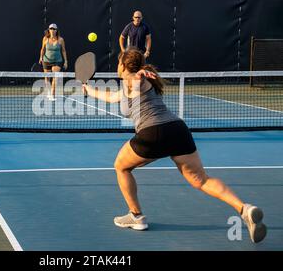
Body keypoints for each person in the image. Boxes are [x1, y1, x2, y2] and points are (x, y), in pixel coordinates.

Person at [82, 48, 267, 243]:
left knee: (121, 166)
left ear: (122, 66)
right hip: (178, 130)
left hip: (152, 134)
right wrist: (88, 88)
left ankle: (136, 216)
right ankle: (244, 208)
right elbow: (110, 96)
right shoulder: (131, 86)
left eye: (119, 63)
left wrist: (138, 74)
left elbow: (134, 81)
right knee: (201, 180)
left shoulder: (137, 80)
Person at [39, 23, 68, 100]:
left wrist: (65, 61)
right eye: (51, 29)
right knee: (47, 78)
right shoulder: (45, 38)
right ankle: (48, 92)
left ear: (56, 30)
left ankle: (52, 94)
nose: (52, 30)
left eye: (54, 29)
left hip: (57, 61)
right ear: (49, 30)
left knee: (55, 77)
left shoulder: (61, 40)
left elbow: (64, 51)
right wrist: (40, 57)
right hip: (46, 60)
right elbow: (42, 49)